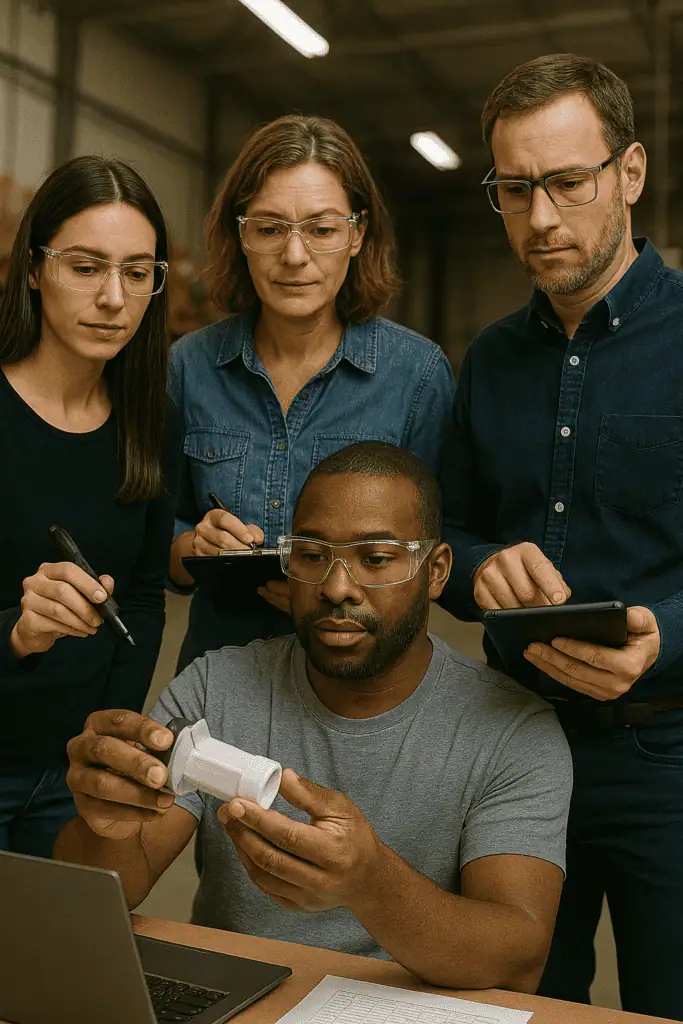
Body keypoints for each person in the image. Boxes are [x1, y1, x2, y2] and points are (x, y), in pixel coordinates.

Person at [57, 442, 572, 992]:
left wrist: (370, 884)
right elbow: (100, 893)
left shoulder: (512, 729)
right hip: (241, 999)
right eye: (310, 555)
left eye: (375, 559)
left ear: (436, 571)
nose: (335, 587)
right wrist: (106, 824)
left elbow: (517, 959)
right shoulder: (215, 689)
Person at [441, 53, 683, 1019]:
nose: (539, 219)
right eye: (512, 189)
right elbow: (445, 533)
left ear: (626, 175)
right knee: (520, 1004)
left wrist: (666, 634)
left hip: (665, 752)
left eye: (566, 183)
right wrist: (477, 566)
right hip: (511, 750)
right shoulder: (491, 361)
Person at [168, 114, 456, 670]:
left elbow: (445, 553)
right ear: (240, 234)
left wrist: (345, 581)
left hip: (362, 683)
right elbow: (158, 539)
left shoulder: (417, 375)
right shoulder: (190, 366)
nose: (295, 256)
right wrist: (192, 549)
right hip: (223, 671)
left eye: (322, 230)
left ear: (357, 234)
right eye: (270, 228)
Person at [0, 156, 179, 858]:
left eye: (137, 273)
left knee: (56, 966)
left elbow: (140, 597)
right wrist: (17, 631)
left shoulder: (151, 422)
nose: (113, 297)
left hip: (75, 775)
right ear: (36, 267)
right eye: (86, 267)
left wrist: (107, 739)